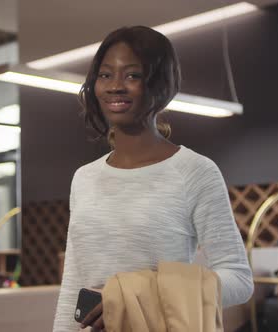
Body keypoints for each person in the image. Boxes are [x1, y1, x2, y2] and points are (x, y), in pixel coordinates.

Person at [52, 26, 254, 332]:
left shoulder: (195, 172)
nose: (115, 86)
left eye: (132, 75)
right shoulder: (84, 178)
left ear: (160, 85)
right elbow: (73, 287)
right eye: (105, 75)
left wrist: (138, 295)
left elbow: (238, 278)